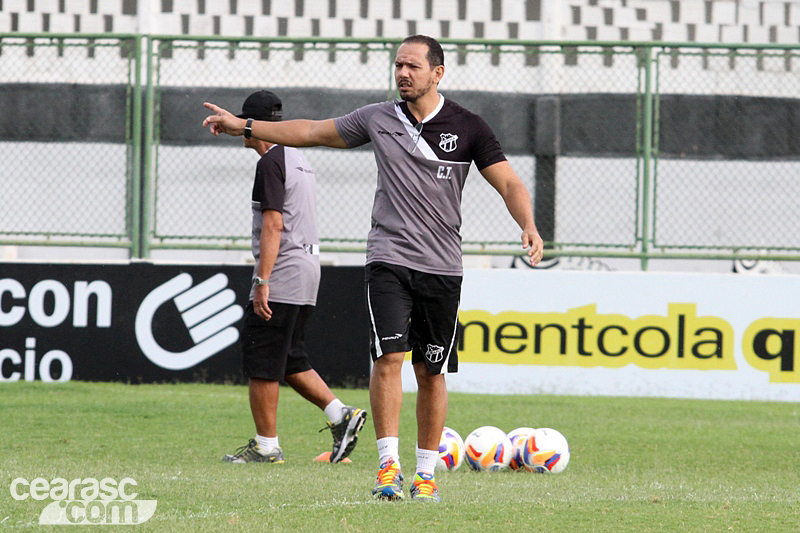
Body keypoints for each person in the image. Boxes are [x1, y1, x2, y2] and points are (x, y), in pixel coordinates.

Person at [205, 36, 543, 500]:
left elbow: (508, 181)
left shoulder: (469, 126)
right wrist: (245, 126)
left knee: (431, 371)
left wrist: (527, 223)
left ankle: (426, 475)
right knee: (388, 359)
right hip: (388, 258)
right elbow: (309, 131)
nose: (403, 73)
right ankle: (388, 468)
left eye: (412, 66)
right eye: (398, 65)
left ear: (437, 73)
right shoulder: (378, 118)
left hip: (442, 265)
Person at [221, 90, 367, 465]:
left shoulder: (270, 162)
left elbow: (273, 223)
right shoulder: (298, 158)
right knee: (289, 358)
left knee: (262, 359)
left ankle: (266, 447)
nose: (242, 132)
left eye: (244, 124)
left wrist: (261, 281)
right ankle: (341, 415)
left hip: (282, 270)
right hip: (307, 268)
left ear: (253, 126)